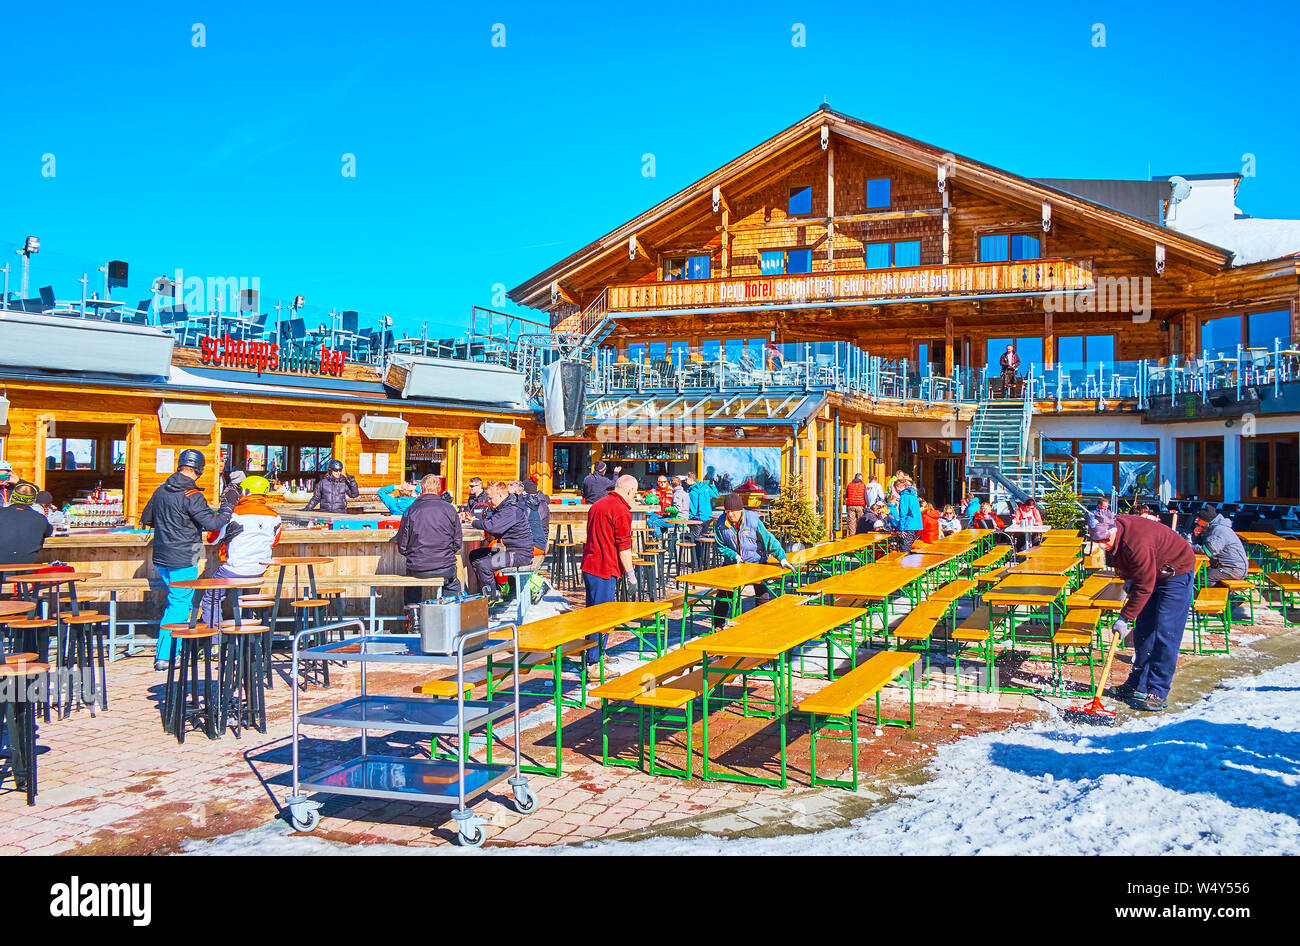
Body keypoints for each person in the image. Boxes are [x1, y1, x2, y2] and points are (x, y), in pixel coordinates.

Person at [1090, 516, 1196, 712]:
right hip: (1153, 570)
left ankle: (1157, 690)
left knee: (1166, 632)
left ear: (1113, 531)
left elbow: (1145, 586)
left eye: (1105, 540)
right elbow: (1128, 565)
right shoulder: (1115, 537)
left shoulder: (1136, 542)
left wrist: (1124, 618)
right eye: (1098, 542)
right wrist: (1128, 577)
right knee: (1144, 630)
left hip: (1175, 572)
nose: (1103, 545)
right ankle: (1138, 682)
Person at [141, 449, 232, 670]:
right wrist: (227, 509)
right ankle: (167, 656)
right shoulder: (192, 495)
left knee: (176, 602)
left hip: (161, 557)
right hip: (184, 557)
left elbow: (147, 519)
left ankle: (170, 651)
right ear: (198, 470)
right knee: (179, 606)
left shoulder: (161, 490)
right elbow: (212, 524)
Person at [199, 475, 282, 630]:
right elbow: (274, 542)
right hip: (258, 570)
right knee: (249, 598)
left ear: (245, 492)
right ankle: (251, 638)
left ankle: (214, 643)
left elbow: (213, 539)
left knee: (211, 598)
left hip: (233, 569)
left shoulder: (234, 514)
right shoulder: (275, 516)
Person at [712, 493, 795, 629]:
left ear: (740, 510)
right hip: (733, 563)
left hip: (756, 560)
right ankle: (718, 624)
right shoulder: (721, 523)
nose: (730, 514)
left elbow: (768, 540)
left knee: (762, 592)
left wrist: (782, 557)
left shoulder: (753, 520)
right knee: (723, 592)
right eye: (727, 511)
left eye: (733, 511)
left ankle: (761, 622)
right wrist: (733, 555)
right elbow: (720, 545)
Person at [581, 474, 639, 662]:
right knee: (603, 616)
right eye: (634, 493)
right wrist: (631, 575)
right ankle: (594, 661)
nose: (633, 497)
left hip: (589, 565)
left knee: (592, 613)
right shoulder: (621, 510)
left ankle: (596, 653)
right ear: (629, 490)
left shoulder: (597, 505)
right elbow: (623, 546)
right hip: (605, 568)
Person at [395, 474, 464, 602]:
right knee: (452, 584)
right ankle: (449, 614)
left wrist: (414, 556)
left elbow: (402, 546)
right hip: (445, 566)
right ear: (438, 489)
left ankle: (413, 615)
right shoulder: (449, 509)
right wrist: (446, 554)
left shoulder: (411, 510)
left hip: (417, 567)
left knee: (412, 586)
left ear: (421, 488)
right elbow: (458, 542)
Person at [468, 481, 535, 603]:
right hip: (509, 550)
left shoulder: (510, 510)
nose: (488, 501)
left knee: (484, 566)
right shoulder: (504, 508)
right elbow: (494, 526)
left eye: (490, 498)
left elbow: (492, 526)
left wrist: (473, 522)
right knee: (475, 555)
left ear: (500, 496)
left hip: (520, 554)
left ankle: (491, 598)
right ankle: (493, 590)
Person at [1193, 504, 1249, 591]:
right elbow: (1206, 544)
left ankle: (1227, 598)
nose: (1197, 521)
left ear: (1205, 520)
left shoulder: (1219, 530)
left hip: (1232, 569)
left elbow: (1208, 551)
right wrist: (1199, 535)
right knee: (1200, 575)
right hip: (1228, 566)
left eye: (1199, 519)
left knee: (1202, 579)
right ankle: (1226, 596)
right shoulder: (1214, 528)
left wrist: (1188, 547)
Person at [0, 482, 53, 565]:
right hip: (27, 568)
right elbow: (48, 533)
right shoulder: (40, 519)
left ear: (12, 498)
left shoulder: (1, 514)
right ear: (32, 501)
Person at [686, 472, 719, 569]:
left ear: (691, 480)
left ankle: (697, 563)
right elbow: (715, 495)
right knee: (703, 539)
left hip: (698, 519)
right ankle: (705, 561)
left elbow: (694, 508)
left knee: (697, 541)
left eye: (686, 479)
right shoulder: (705, 487)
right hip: (708, 518)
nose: (685, 480)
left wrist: (687, 518)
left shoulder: (693, 492)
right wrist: (713, 486)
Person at [521, 477, 551, 561]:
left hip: (536, 545)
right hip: (537, 542)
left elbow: (530, 526)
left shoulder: (536, 505)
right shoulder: (540, 502)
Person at [895, 474, 922, 553]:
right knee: (908, 546)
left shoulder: (904, 496)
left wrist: (901, 529)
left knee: (905, 549)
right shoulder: (913, 495)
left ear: (898, 487)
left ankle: (907, 565)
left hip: (909, 525)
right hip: (917, 524)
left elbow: (903, 513)